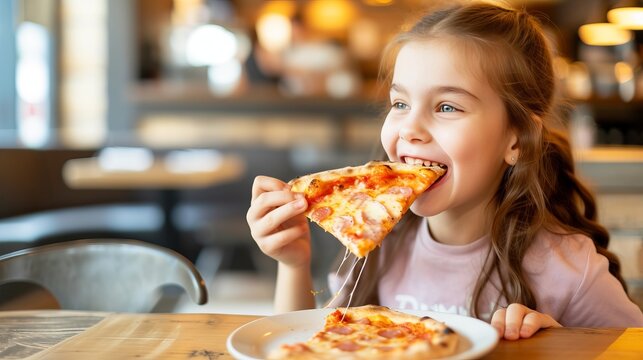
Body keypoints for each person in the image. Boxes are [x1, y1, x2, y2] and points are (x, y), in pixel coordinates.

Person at [246, 1, 643, 340]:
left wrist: (562, 347)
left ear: (516, 140)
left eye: (447, 107)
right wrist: (294, 264)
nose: (411, 129)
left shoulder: (567, 268)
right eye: (400, 104)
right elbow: (307, 342)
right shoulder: (377, 244)